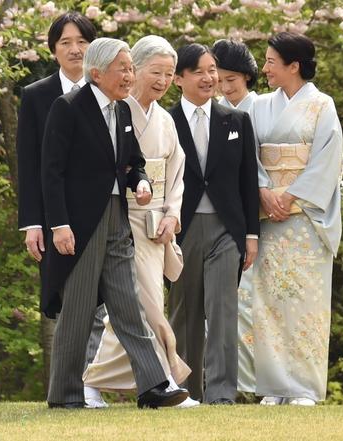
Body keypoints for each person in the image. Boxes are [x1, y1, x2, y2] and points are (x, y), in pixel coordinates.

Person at [40, 37, 188, 409]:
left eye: (130, 67)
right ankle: (66, 395)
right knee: (77, 309)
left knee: (128, 306)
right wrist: (59, 225)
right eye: (122, 67)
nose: (129, 75)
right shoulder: (68, 107)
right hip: (80, 224)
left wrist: (138, 180)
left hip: (117, 221)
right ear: (96, 72)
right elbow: (51, 173)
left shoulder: (121, 111)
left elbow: (132, 162)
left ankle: (153, 385)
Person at [83, 35, 198, 408]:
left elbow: (178, 175)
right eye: (155, 72)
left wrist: (173, 214)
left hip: (158, 224)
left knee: (132, 309)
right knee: (144, 305)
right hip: (125, 220)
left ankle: (94, 380)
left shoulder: (165, 119)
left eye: (169, 74)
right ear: (134, 69)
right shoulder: (118, 111)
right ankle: (165, 378)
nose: (163, 81)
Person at [15, 12, 107, 404]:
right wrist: (33, 222)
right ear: (53, 49)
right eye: (66, 42)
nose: (74, 49)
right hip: (58, 219)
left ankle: (90, 385)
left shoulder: (108, 91)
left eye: (82, 42)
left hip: (105, 214)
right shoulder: (36, 95)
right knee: (67, 301)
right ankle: (68, 387)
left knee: (102, 303)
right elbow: (30, 165)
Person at [249, 32, 343, 406]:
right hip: (268, 213)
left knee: (306, 301)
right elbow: (248, 155)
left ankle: (303, 387)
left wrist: (290, 196)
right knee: (268, 300)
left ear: (294, 65)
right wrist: (263, 191)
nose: (265, 67)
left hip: (304, 218)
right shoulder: (257, 106)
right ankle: (274, 387)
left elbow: (326, 160)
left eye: (272, 61)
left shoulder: (322, 105)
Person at [168, 43, 260, 404]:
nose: (210, 78)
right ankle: (185, 390)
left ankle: (222, 393)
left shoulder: (236, 120)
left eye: (213, 70)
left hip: (227, 230)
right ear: (179, 79)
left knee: (223, 309)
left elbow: (247, 183)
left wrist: (250, 235)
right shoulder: (166, 122)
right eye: (200, 71)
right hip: (182, 228)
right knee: (184, 311)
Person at [211, 38, 259, 395]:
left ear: (247, 76)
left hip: (267, 211)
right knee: (225, 306)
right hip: (222, 216)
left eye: (233, 80)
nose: (226, 87)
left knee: (257, 304)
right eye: (220, 78)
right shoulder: (210, 110)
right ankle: (228, 383)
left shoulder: (264, 108)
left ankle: (261, 383)